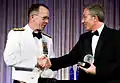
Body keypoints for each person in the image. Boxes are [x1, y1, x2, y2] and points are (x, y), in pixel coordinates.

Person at [44, 4, 120, 83]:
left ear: (94, 18)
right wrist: (51, 63)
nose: (82, 21)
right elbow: (71, 58)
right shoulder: (84, 38)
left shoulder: (116, 36)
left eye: (85, 17)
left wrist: (98, 71)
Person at [4, 4, 56, 83]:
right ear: (33, 17)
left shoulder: (47, 39)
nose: (47, 21)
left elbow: (52, 63)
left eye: (48, 19)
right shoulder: (16, 34)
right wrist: (35, 62)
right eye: (44, 18)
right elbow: (9, 59)